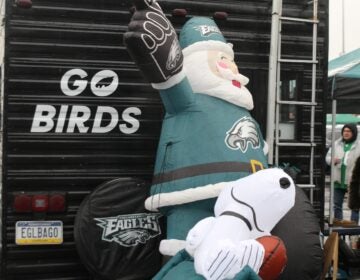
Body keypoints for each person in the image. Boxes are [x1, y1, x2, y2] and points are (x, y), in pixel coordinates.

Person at [326, 123, 360, 226]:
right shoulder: (336, 144)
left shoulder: (358, 144)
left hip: (353, 180)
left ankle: (353, 227)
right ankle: (338, 225)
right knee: (337, 204)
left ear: (353, 133)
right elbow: (328, 157)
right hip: (338, 179)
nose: (346, 133)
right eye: (344, 131)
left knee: (355, 205)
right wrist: (332, 160)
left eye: (349, 131)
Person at [348, 155, 360, 224]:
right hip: (356, 189)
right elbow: (354, 176)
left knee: (355, 210)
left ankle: (353, 231)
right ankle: (353, 232)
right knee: (355, 210)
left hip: (356, 189)